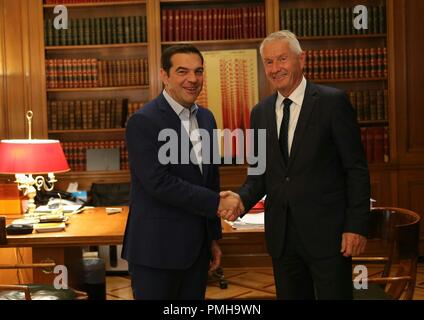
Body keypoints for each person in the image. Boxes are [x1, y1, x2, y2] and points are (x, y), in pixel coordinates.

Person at [219, 30, 371, 300]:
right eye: (268, 62)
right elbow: (258, 175)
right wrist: (240, 199)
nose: (275, 68)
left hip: (329, 237)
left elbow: (356, 169)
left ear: (302, 60)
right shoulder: (260, 112)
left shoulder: (332, 103)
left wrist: (356, 226)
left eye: (282, 59)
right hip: (283, 239)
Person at [122, 44, 240, 299]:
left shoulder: (207, 118)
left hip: (197, 252)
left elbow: (210, 178)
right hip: (156, 252)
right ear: (164, 75)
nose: (193, 79)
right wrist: (217, 203)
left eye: (198, 72)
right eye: (182, 71)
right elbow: (159, 183)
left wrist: (212, 239)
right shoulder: (143, 121)